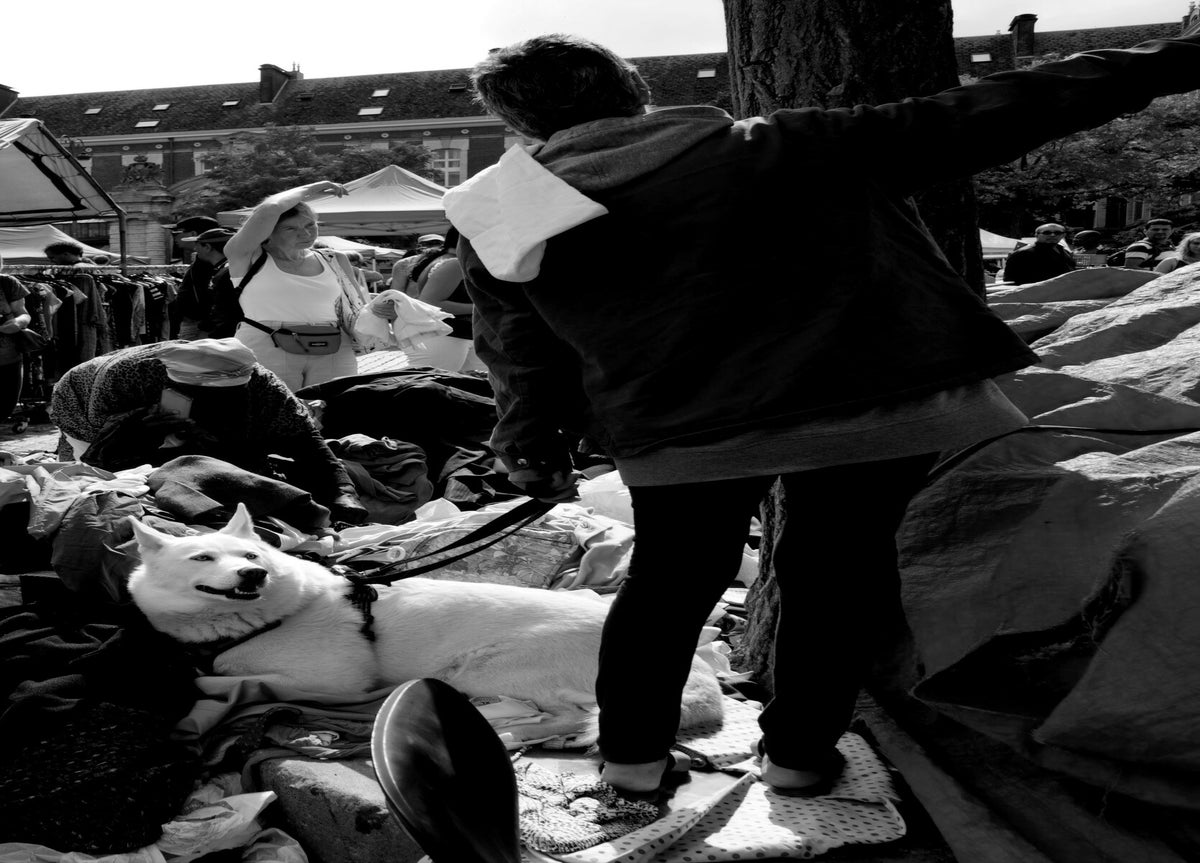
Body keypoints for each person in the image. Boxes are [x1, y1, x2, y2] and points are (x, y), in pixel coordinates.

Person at [445, 32, 1200, 796]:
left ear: (521, 124)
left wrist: (530, 447)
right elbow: (1003, 104)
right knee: (836, 576)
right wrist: (1178, 58)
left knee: (668, 586)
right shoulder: (792, 145)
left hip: (675, 427)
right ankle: (799, 757)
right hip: (869, 409)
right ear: (636, 92)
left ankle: (632, 764)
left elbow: (517, 351)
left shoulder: (499, 214)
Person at [49, 338, 368, 525]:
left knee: (231, 464)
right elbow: (105, 459)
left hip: (171, 414)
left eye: (226, 401)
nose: (216, 407)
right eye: (207, 401)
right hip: (83, 403)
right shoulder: (126, 380)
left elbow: (307, 442)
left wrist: (343, 493)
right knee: (109, 485)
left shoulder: (264, 385)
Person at [221, 181, 367, 391]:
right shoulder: (246, 256)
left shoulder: (334, 259)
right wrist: (313, 188)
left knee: (334, 408)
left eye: (310, 225)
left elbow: (358, 307)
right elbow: (270, 209)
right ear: (268, 232)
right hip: (267, 344)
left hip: (333, 346)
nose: (305, 234)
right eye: (290, 228)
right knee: (273, 409)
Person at [400, 226, 483, 372]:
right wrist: (482, 307)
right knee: (429, 383)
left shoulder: (448, 260)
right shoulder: (454, 263)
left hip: (452, 335)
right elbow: (429, 302)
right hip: (446, 336)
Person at [177, 228, 235, 340]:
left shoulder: (225, 273)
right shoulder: (219, 269)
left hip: (212, 331)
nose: (195, 249)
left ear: (207, 247)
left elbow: (221, 307)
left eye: (197, 245)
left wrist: (206, 329)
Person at [0, 255, 32, 422]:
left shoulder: (7, 283)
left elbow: (23, 313)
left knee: (5, 407)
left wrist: (18, 322)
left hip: (8, 357)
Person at [1002, 223, 1076, 285]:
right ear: (1036, 235)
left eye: (1057, 233)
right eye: (1047, 233)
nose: (1052, 235)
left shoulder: (1064, 251)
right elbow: (1010, 280)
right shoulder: (1023, 253)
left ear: (1063, 235)